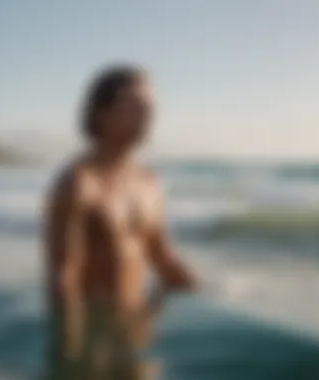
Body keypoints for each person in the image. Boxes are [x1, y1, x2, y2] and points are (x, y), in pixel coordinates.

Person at [44, 64, 199, 379]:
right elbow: (64, 277)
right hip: (93, 335)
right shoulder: (77, 183)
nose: (149, 113)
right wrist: (71, 350)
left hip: (139, 328)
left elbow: (163, 258)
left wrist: (203, 292)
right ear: (102, 113)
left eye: (151, 106)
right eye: (138, 104)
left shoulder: (148, 184)